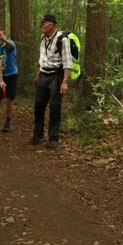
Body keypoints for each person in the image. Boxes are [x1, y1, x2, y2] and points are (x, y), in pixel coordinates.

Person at [31, 14, 73, 149]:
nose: (42, 24)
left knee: (55, 107)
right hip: (43, 75)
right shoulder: (43, 38)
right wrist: (38, 75)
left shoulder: (62, 39)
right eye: (42, 22)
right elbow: (42, 58)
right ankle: (37, 135)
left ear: (53, 25)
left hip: (56, 76)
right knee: (38, 105)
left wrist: (65, 82)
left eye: (45, 22)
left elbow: (67, 63)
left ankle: (54, 138)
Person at [0, 28, 18, 132]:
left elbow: (12, 45)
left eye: (0, 35)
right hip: (0, 76)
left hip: (12, 75)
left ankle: (7, 122)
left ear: (5, 35)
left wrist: (5, 40)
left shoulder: (10, 45)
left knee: (9, 99)